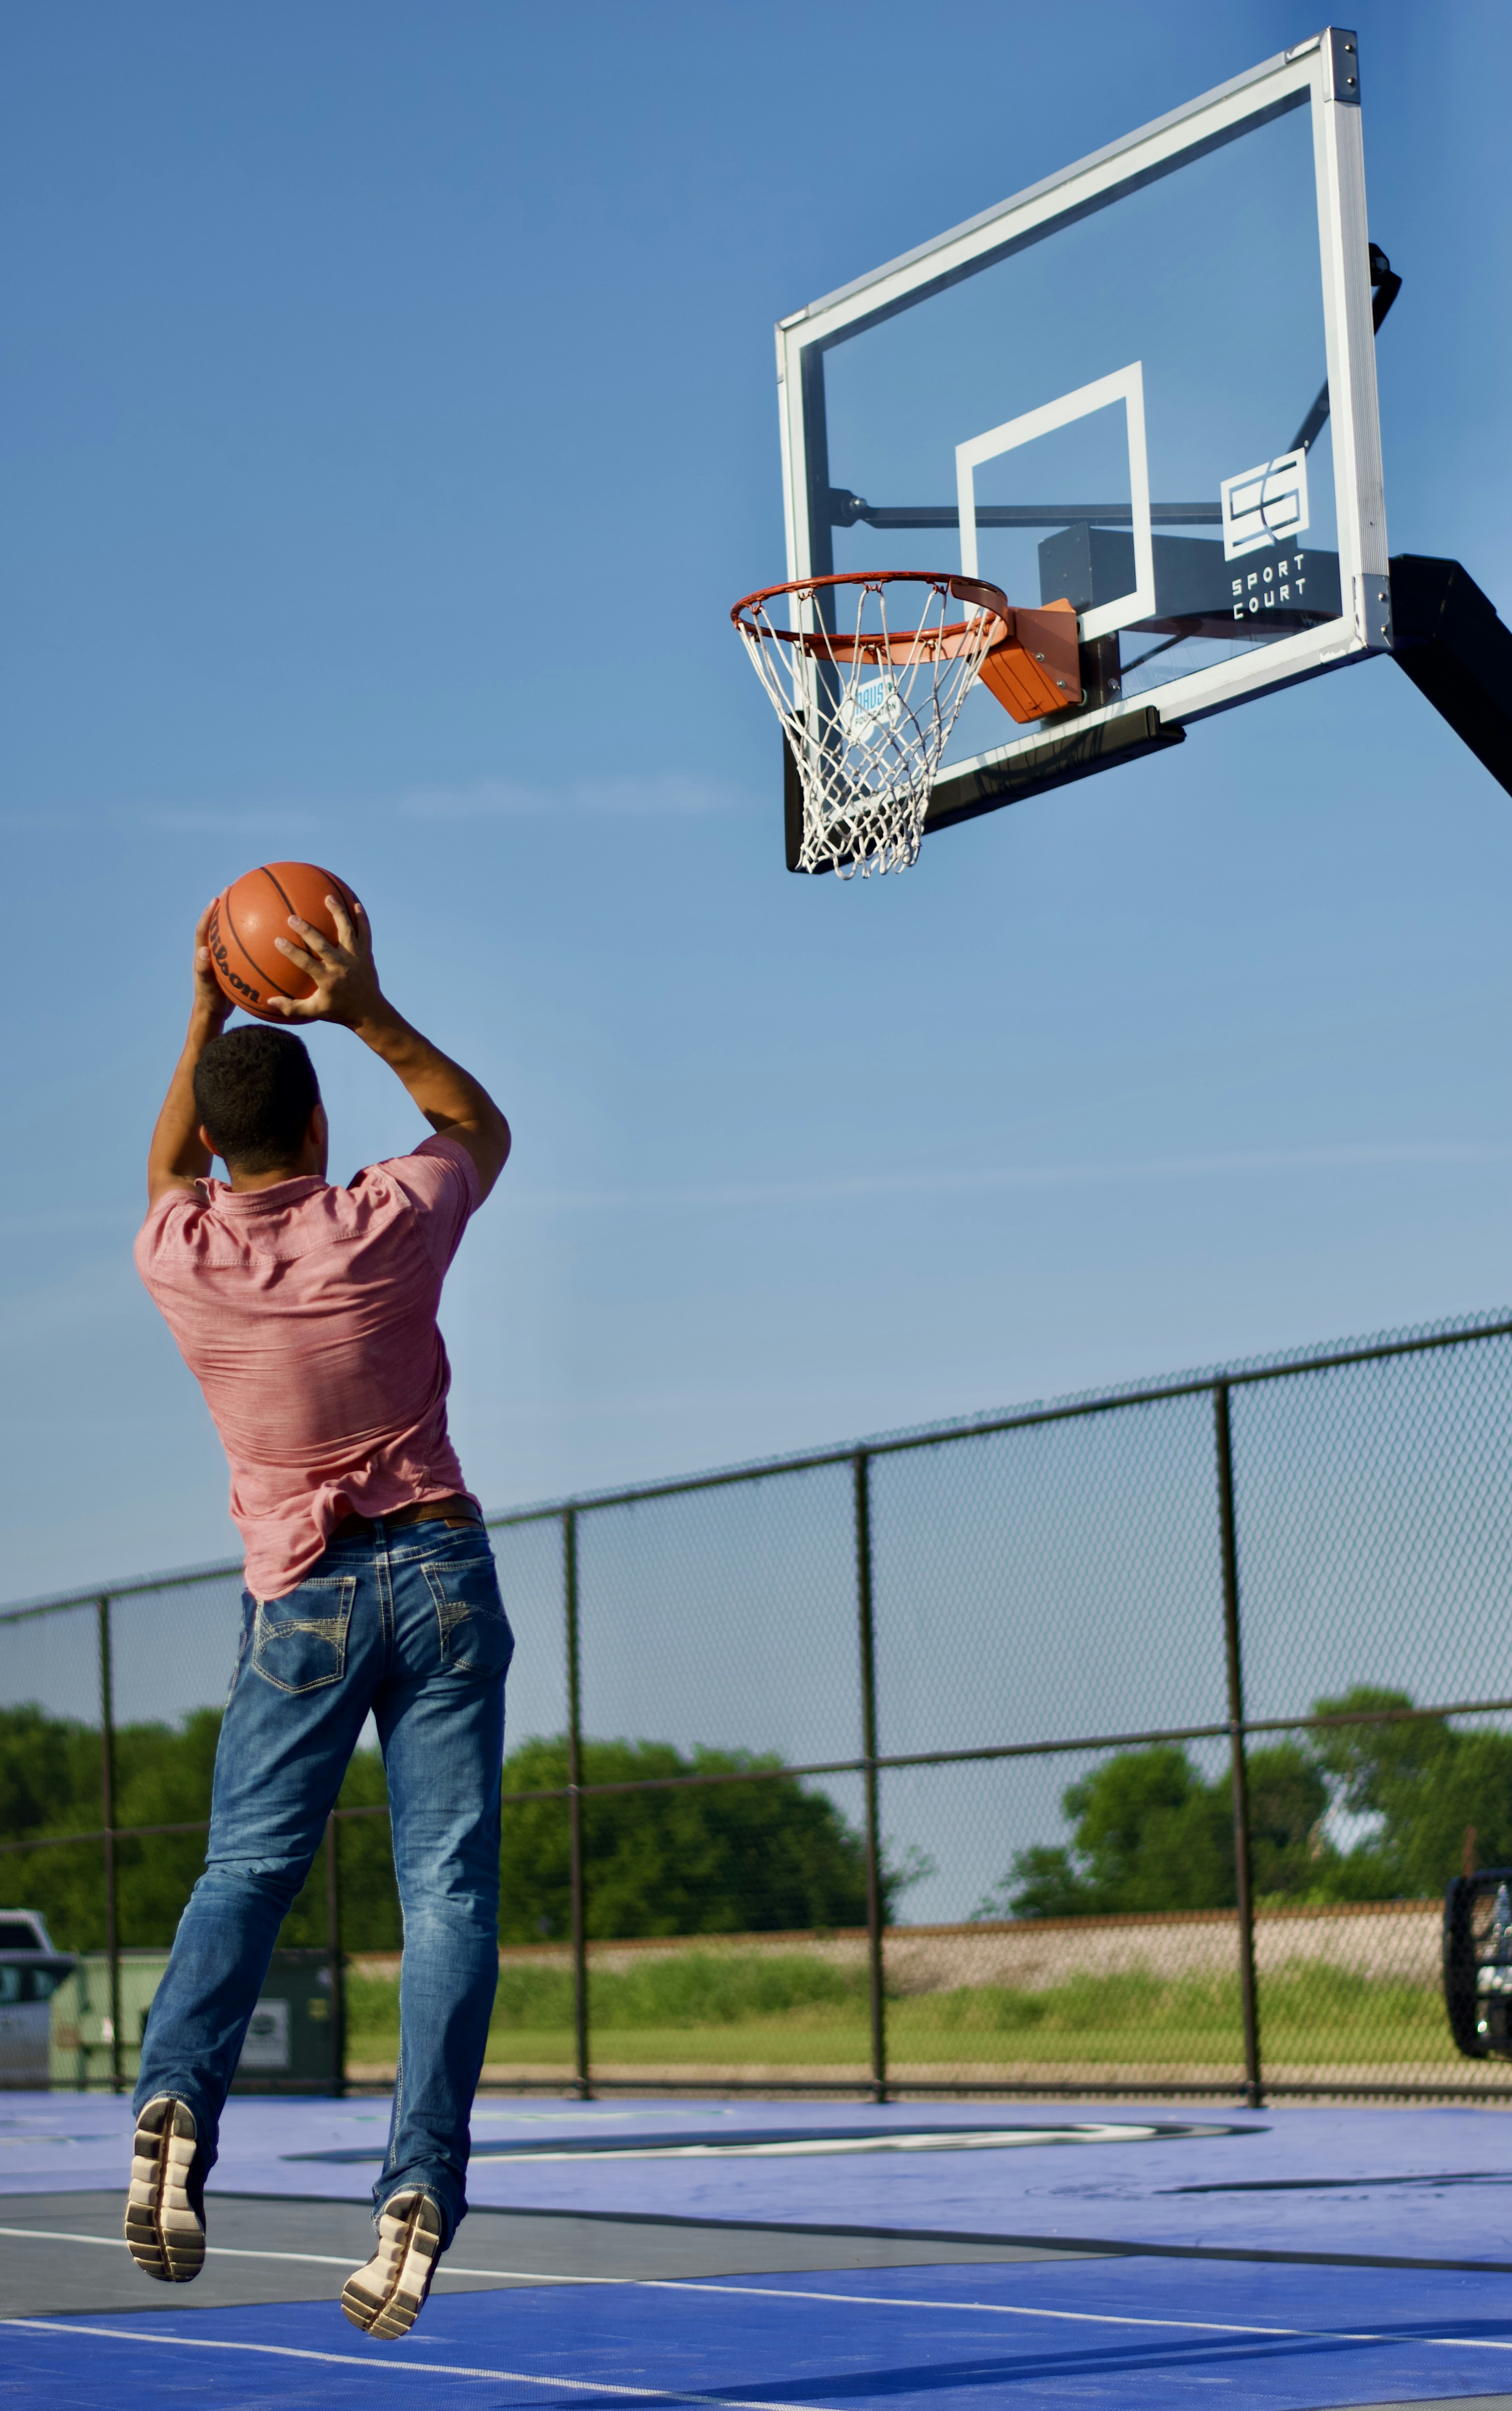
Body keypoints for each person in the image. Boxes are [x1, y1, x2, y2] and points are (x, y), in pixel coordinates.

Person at [126, 887, 512, 2339]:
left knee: (244, 1871)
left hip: (299, 1597)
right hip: (439, 1570)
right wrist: (359, 1008)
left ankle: (176, 2100)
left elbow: (170, 1159)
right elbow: (477, 1127)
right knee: (450, 1897)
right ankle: (417, 2190)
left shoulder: (182, 1256)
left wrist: (203, 1009)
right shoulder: (388, 1219)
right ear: (320, 1132)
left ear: (219, 1151)